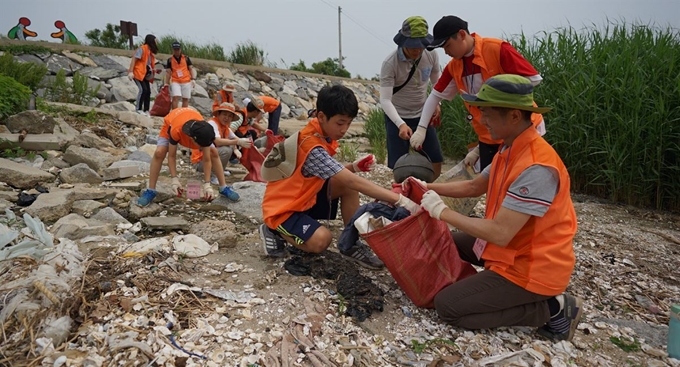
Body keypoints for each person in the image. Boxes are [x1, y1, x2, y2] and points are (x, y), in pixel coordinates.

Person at [416, 74, 582, 342]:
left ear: (515, 116)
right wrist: (427, 187)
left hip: (532, 266)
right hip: (512, 248)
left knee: (448, 307)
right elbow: (474, 187)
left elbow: (501, 232)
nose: (482, 121)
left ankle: (553, 308)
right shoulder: (509, 149)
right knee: (440, 239)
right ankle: (481, 291)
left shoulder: (537, 166)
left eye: (488, 114)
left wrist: (443, 213)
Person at [258, 85, 421, 269]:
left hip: (303, 198)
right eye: (340, 123)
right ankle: (273, 229)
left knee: (347, 185)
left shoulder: (320, 133)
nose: (344, 129)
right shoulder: (311, 145)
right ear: (321, 116)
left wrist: (353, 167)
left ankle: (350, 243)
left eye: (348, 123)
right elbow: (350, 179)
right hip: (284, 208)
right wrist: (399, 199)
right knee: (322, 240)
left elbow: (326, 173)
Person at [413, 16, 546, 171]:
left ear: (462, 35)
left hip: (520, 129)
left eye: (448, 46)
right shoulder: (454, 67)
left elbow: (533, 78)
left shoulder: (496, 49)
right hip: (489, 134)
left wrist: (499, 94)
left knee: (518, 177)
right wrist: (421, 129)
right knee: (491, 183)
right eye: (443, 49)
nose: (447, 52)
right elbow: (435, 96)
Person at [137, 107, 241, 206]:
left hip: (192, 121)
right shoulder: (176, 131)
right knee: (159, 153)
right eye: (200, 145)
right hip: (172, 122)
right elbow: (172, 156)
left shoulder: (204, 131)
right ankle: (150, 190)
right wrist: (174, 179)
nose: (201, 148)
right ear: (192, 140)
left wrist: (207, 184)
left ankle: (223, 187)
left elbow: (206, 159)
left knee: (213, 152)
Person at [381, 16, 443, 179]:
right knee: (398, 163)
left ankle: (431, 191)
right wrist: (400, 124)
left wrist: (437, 103)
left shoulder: (431, 55)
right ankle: (400, 195)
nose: (417, 50)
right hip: (397, 116)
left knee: (435, 158)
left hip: (423, 114)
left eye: (421, 46)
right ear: (403, 42)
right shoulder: (390, 63)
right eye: (412, 46)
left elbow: (437, 82)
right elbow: (385, 100)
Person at [191, 102, 253, 185]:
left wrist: (244, 146)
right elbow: (217, 141)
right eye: (224, 114)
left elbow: (235, 138)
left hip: (208, 158)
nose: (227, 118)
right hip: (200, 162)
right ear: (219, 114)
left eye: (230, 116)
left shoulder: (225, 127)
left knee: (229, 148)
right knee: (225, 150)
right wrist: (238, 142)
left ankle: (219, 172)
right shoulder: (212, 124)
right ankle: (213, 175)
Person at [128, 34, 159, 116]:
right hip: (138, 73)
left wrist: (154, 70)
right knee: (142, 90)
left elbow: (148, 65)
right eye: (155, 41)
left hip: (144, 74)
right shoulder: (142, 49)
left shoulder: (150, 52)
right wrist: (131, 71)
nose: (157, 43)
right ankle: (138, 109)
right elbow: (134, 59)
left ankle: (146, 110)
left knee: (148, 91)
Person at [164, 42, 195, 110]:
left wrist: (193, 79)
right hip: (175, 80)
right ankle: (174, 112)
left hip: (186, 80)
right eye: (175, 49)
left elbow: (190, 68)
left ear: (180, 49)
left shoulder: (186, 58)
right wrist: (166, 83)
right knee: (175, 97)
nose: (177, 51)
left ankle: (183, 113)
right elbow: (168, 72)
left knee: (185, 98)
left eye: (178, 49)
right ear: (173, 50)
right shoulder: (170, 60)